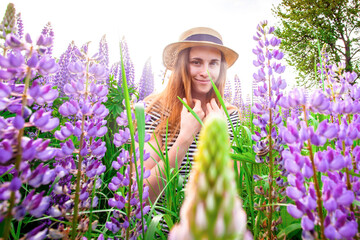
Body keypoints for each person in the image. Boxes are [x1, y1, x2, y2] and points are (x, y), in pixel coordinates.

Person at [143, 26, 240, 208]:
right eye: (196, 62)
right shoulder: (156, 110)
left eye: (213, 63)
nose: (205, 72)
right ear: (182, 65)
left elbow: (236, 188)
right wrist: (184, 138)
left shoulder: (229, 114)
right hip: (161, 231)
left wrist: (220, 137)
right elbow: (141, 194)